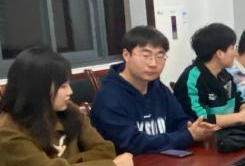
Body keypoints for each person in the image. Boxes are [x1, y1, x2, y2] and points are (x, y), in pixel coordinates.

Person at [0, 47, 134, 166]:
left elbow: (105, 150)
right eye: (63, 86)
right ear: (38, 89)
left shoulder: (69, 110)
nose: (70, 92)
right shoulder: (9, 129)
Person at [91, 25, 217, 154]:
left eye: (160, 56)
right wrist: (187, 136)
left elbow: (179, 121)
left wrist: (194, 129)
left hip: (163, 160)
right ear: (126, 55)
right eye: (146, 55)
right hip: (129, 164)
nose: (153, 64)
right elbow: (132, 143)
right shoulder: (108, 96)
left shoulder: (159, 88)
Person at [174, 23, 245, 127]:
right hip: (207, 136)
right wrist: (241, 117)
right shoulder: (191, 79)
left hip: (229, 133)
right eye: (232, 48)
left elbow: (238, 99)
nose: (235, 53)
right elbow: (200, 120)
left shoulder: (224, 74)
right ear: (220, 53)